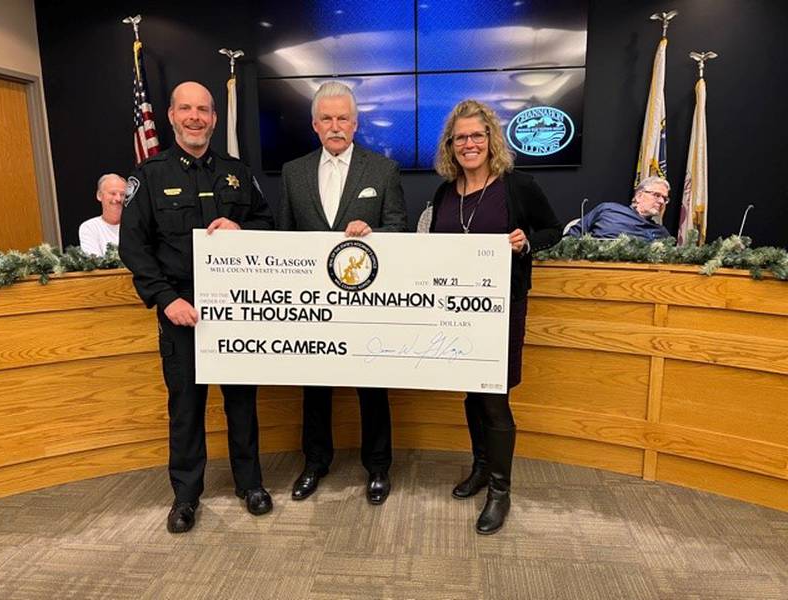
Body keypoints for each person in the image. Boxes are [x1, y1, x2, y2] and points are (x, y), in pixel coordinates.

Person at [119, 81, 275, 534]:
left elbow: (268, 222)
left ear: (213, 117)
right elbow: (135, 247)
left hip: (237, 311)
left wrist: (242, 230)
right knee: (186, 407)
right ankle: (186, 497)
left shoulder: (237, 172)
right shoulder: (148, 176)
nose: (195, 117)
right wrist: (166, 300)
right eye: (186, 109)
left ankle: (251, 484)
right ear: (169, 115)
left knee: (242, 402)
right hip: (181, 312)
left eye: (203, 110)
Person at [422, 99, 561, 534]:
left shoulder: (517, 186)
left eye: (476, 136)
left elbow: (554, 231)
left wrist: (526, 240)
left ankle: (501, 491)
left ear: (491, 139)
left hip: (502, 309)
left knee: (495, 399)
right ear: (451, 144)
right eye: (460, 137)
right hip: (456, 312)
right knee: (470, 395)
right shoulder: (444, 192)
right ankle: (481, 468)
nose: (469, 144)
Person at [278, 81, 407, 505]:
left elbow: (400, 231)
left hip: (367, 304)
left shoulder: (382, 170)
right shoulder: (293, 172)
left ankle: (378, 467)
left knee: (373, 389)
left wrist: (374, 234)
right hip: (314, 307)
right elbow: (283, 238)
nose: (336, 126)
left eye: (343, 118)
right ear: (315, 125)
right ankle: (314, 463)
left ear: (356, 123)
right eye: (327, 119)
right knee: (314, 389)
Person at [564, 176, 671, 240]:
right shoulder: (608, 210)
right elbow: (572, 236)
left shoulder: (661, 232)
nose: (661, 201)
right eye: (656, 195)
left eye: (665, 198)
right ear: (639, 196)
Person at [79, 173, 126, 256]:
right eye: (113, 193)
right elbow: (95, 262)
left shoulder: (136, 226)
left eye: (122, 194)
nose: (118, 199)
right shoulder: (90, 227)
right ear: (99, 195)